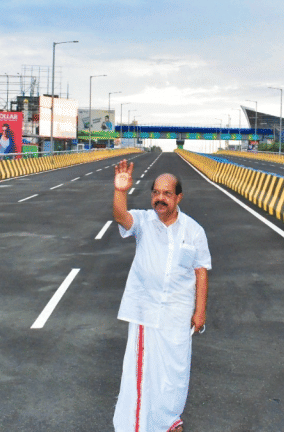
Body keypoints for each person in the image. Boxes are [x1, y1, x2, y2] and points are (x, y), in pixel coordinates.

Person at [112, 159, 211, 432]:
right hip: (147, 313)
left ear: (178, 197)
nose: (160, 198)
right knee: (144, 374)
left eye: (167, 194)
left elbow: (201, 272)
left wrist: (199, 312)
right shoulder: (144, 221)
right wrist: (120, 191)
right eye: (156, 192)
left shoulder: (194, 231)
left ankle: (169, 421)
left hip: (178, 315)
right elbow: (122, 217)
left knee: (176, 373)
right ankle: (140, 426)